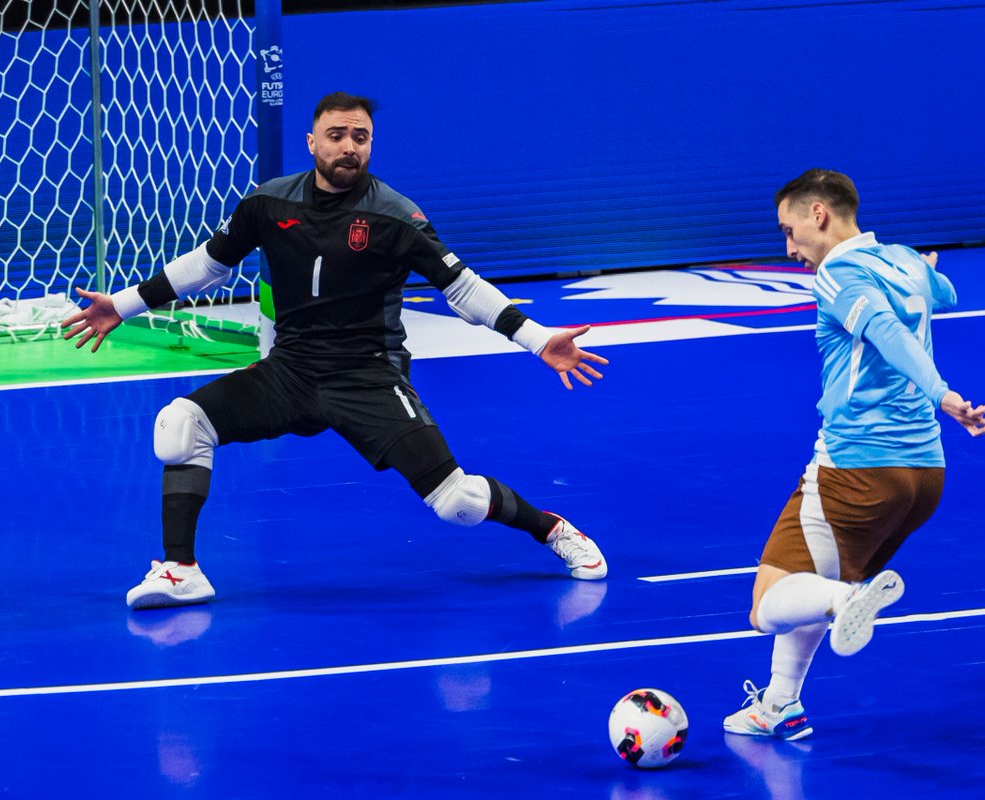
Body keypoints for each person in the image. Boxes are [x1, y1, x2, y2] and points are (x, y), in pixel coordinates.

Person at [62, 92, 610, 609]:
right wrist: (124, 305)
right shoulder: (269, 202)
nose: (349, 146)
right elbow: (210, 262)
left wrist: (537, 338)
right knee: (180, 423)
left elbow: (462, 289)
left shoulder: (396, 216)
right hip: (291, 371)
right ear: (311, 142)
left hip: (367, 375)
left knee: (457, 504)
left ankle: (551, 528)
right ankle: (181, 570)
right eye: (337, 134)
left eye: (361, 137)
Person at [723, 169, 985, 740]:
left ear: (818, 213)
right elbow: (941, 292)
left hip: (856, 469)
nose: (789, 247)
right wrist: (924, 273)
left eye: (790, 229)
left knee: (770, 600)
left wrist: (943, 394)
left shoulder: (836, 275)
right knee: (811, 582)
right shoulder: (899, 259)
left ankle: (847, 599)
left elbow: (883, 330)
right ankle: (780, 704)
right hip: (923, 477)